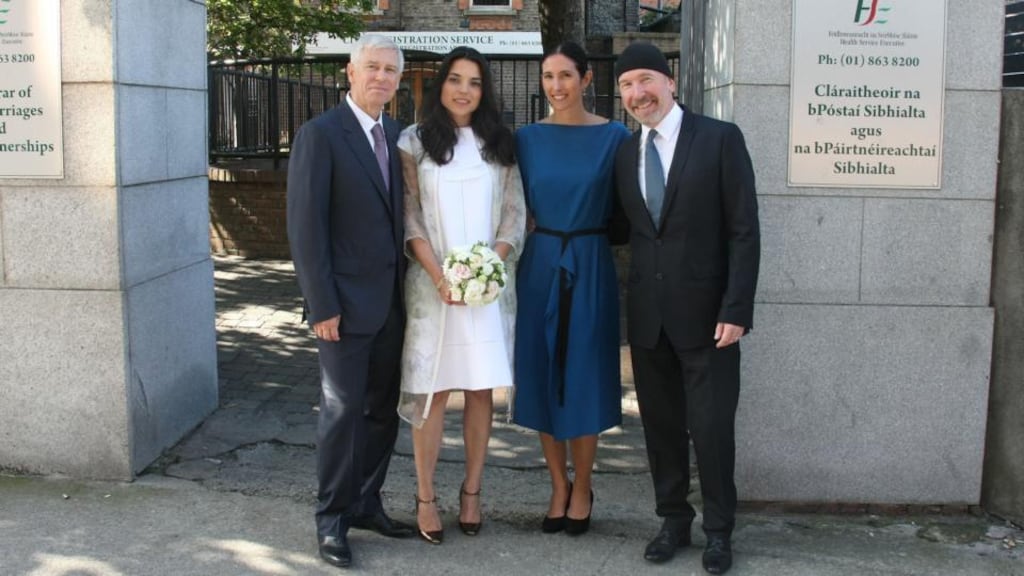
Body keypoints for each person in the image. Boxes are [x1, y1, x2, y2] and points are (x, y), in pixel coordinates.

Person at [613, 42, 760, 575]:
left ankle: (719, 531)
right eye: (626, 86)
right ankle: (673, 520)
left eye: (645, 80)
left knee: (713, 430)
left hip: (711, 320)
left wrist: (737, 307)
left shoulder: (719, 139)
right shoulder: (625, 152)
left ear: (670, 80)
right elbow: (621, 227)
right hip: (650, 320)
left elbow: (744, 230)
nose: (636, 93)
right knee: (662, 429)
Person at [286, 34, 415, 569]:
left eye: (390, 70)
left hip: (391, 303)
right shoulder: (321, 135)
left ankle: (366, 502)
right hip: (341, 307)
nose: (381, 77)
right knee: (342, 414)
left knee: (383, 411)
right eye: (372, 68)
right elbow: (305, 228)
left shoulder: (396, 135)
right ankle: (332, 520)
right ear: (350, 71)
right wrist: (322, 305)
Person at [396, 46, 526, 545]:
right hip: (433, 289)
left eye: (474, 82)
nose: (464, 90)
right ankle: (426, 496)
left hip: (486, 289)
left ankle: (472, 491)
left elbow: (514, 214)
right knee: (432, 391)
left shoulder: (501, 144)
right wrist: (441, 275)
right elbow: (410, 214)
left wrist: (486, 269)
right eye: (455, 79)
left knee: (478, 388)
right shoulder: (414, 142)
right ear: (441, 84)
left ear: (484, 89)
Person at [513, 41, 631, 537]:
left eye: (565, 75)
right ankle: (556, 486)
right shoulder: (525, 139)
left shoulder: (616, 137)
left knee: (583, 374)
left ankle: (583, 485)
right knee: (540, 371)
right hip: (540, 263)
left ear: (586, 79)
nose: (556, 86)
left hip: (589, 263)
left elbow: (631, 209)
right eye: (547, 76)